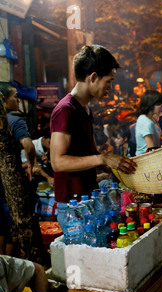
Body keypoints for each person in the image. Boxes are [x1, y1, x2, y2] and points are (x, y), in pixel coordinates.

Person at [50, 45, 137, 203]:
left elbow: (84, 157)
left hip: (88, 198)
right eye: (108, 81)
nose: (110, 87)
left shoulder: (85, 109)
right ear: (93, 77)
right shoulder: (65, 110)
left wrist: (114, 165)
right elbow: (58, 162)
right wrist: (102, 159)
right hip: (73, 207)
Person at [0, 83, 36, 256]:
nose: (18, 100)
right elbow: (28, 145)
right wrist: (31, 163)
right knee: (13, 230)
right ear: (3, 99)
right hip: (9, 189)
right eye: (14, 96)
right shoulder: (14, 120)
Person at [135, 90, 162, 155]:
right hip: (146, 161)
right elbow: (151, 149)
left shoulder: (149, 119)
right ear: (150, 105)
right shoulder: (145, 121)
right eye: (158, 104)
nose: (161, 107)